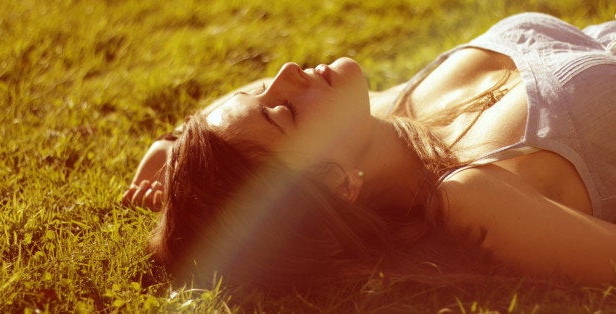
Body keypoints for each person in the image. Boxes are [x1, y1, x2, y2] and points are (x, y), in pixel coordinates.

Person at [123, 13, 616, 289]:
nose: (286, 74)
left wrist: (174, 152)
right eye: (283, 113)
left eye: (261, 93)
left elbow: (243, 107)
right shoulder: (475, 194)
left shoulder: (391, 111)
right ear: (337, 183)